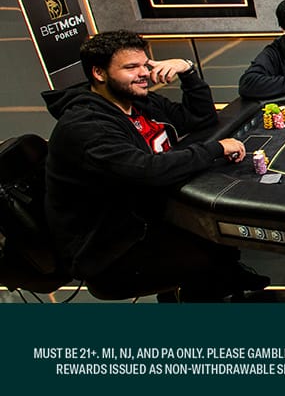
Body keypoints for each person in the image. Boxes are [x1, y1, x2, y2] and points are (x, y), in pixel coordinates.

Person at [42, 30, 268, 301]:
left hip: (145, 216)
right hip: (110, 248)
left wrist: (187, 71)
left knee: (221, 238)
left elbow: (199, 118)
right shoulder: (85, 126)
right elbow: (147, 170)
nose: (143, 73)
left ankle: (223, 278)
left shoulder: (138, 101)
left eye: (145, 65)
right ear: (99, 73)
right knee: (212, 250)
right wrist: (215, 149)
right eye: (131, 67)